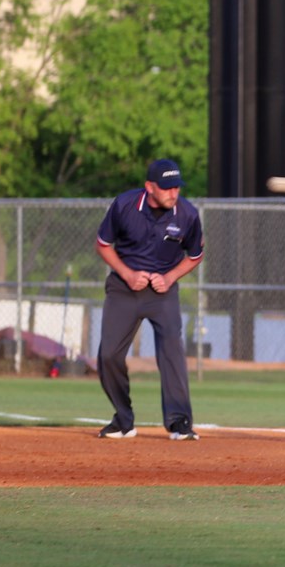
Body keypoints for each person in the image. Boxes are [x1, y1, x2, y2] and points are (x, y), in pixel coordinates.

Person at [94, 159, 205, 440]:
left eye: (177, 187)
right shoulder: (125, 205)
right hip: (124, 288)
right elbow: (103, 245)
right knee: (108, 355)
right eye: (166, 188)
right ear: (149, 187)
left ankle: (180, 422)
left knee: (172, 350)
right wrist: (128, 274)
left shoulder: (187, 214)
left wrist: (170, 278)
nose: (173, 193)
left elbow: (195, 256)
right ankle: (123, 419)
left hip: (162, 293)